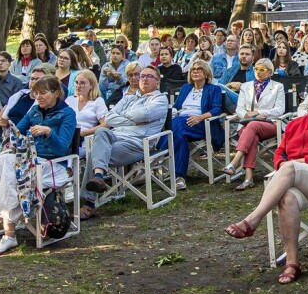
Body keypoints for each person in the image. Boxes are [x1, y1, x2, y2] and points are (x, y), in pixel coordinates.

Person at [224, 79, 308, 284]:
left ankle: (253, 219)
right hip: (295, 180)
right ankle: (292, 264)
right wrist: (282, 165)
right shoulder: (295, 124)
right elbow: (279, 152)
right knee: (286, 198)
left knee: (290, 167)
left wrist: (300, 162)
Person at [0, 76, 76, 256]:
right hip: (27, 162)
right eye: (36, 93)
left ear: (56, 93)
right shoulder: (34, 110)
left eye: (43, 93)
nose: (38, 97)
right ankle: (6, 232)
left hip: (52, 165)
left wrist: (48, 132)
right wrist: (11, 130)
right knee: (6, 161)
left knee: (8, 164)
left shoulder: (67, 114)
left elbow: (62, 148)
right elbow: (17, 132)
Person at [83, 66, 169, 208]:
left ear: (158, 81)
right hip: (115, 136)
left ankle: (89, 202)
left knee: (94, 154)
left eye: (150, 76)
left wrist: (125, 116)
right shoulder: (129, 97)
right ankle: (98, 178)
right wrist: (134, 120)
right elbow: (109, 119)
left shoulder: (160, 99)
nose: (145, 79)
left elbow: (144, 115)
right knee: (101, 132)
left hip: (138, 143)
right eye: (142, 76)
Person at [225, 59, 288, 190]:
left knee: (252, 126)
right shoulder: (246, 86)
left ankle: (235, 162)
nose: (258, 72)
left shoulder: (278, 86)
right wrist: (247, 115)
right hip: (248, 124)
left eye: (262, 70)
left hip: (270, 123)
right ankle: (248, 178)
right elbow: (239, 109)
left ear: (270, 72)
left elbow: (280, 109)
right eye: (256, 69)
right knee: (251, 132)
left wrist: (259, 112)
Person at [169, 59, 226, 190]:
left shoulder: (214, 89)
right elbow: (177, 107)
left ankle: (160, 153)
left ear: (206, 74)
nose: (195, 71)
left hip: (203, 124)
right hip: (183, 124)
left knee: (175, 126)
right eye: (193, 69)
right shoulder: (185, 88)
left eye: (199, 69)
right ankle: (180, 177)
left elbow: (217, 109)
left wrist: (199, 118)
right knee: (180, 134)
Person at [66, 69, 108, 150]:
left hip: (84, 140)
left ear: (91, 85)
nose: (78, 86)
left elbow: (105, 125)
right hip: (67, 136)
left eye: (82, 83)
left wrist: (82, 133)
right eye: (76, 82)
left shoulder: (97, 101)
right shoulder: (70, 100)